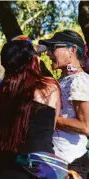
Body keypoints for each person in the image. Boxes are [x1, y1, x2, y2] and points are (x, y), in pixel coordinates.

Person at [0, 37, 75, 179]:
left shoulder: (2, 92)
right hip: (41, 170)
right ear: (32, 61)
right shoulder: (49, 87)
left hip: (4, 169)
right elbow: (51, 126)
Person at [39, 29, 89, 179]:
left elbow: (86, 126)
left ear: (72, 50)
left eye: (53, 48)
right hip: (58, 161)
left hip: (72, 163)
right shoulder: (65, 80)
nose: (48, 54)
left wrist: (50, 118)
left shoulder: (79, 80)